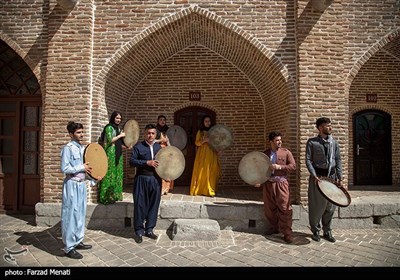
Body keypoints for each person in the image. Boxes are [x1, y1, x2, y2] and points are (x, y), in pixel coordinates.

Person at [60, 121, 101, 259]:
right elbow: (65, 168)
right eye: (78, 132)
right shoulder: (68, 148)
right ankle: (68, 247)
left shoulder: (83, 148)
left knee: (80, 214)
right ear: (71, 134)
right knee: (70, 215)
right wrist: (81, 167)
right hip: (71, 184)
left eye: (82, 132)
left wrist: (95, 178)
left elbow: (87, 168)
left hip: (81, 185)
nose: (81, 134)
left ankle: (78, 241)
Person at [306, 117, 344, 243]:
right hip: (318, 177)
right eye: (328, 126)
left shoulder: (335, 143)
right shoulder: (312, 143)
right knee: (317, 206)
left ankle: (327, 231)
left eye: (330, 125)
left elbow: (338, 160)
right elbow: (308, 160)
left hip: (331, 177)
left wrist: (339, 176)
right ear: (320, 128)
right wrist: (313, 174)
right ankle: (316, 230)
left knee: (330, 206)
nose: (330, 128)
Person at [254, 131, 296, 244]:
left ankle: (287, 233)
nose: (280, 142)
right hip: (268, 184)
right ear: (271, 141)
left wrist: (280, 167)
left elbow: (293, 166)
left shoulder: (286, 152)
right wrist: (259, 181)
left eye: (280, 140)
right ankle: (274, 228)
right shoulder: (265, 154)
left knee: (284, 207)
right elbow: (261, 169)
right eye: (277, 140)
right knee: (269, 208)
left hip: (282, 184)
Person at [130, 124, 163, 243]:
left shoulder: (159, 147)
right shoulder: (138, 146)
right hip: (141, 179)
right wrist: (146, 162)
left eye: (153, 133)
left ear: (155, 135)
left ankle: (149, 230)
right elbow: (132, 161)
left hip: (155, 180)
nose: (150, 135)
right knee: (140, 205)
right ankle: (139, 231)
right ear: (145, 134)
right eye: (148, 133)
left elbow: (165, 163)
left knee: (154, 205)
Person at [189, 115, 221, 197]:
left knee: (211, 171)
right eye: (206, 121)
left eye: (209, 121)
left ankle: (210, 190)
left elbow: (218, 142)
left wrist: (219, 149)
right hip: (202, 154)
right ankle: (200, 189)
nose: (207, 123)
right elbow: (196, 143)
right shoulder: (200, 131)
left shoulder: (214, 132)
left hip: (212, 153)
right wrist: (204, 140)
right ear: (203, 122)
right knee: (202, 171)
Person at [98, 111, 126, 204]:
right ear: (113, 118)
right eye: (117, 118)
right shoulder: (109, 127)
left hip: (118, 153)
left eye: (120, 119)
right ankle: (106, 196)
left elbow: (118, 143)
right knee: (110, 173)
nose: (118, 120)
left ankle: (115, 195)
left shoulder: (117, 128)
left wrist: (126, 147)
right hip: (110, 153)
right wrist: (120, 135)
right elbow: (110, 140)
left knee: (117, 173)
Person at [155, 115, 174, 195]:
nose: (162, 121)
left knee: (167, 169)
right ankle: (161, 188)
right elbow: (153, 141)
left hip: (167, 151)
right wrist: (161, 140)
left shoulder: (168, 130)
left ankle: (166, 188)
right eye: (161, 120)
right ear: (158, 121)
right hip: (159, 151)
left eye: (164, 120)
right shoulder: (155, 130)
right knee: (160, 169)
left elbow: (170, 141)